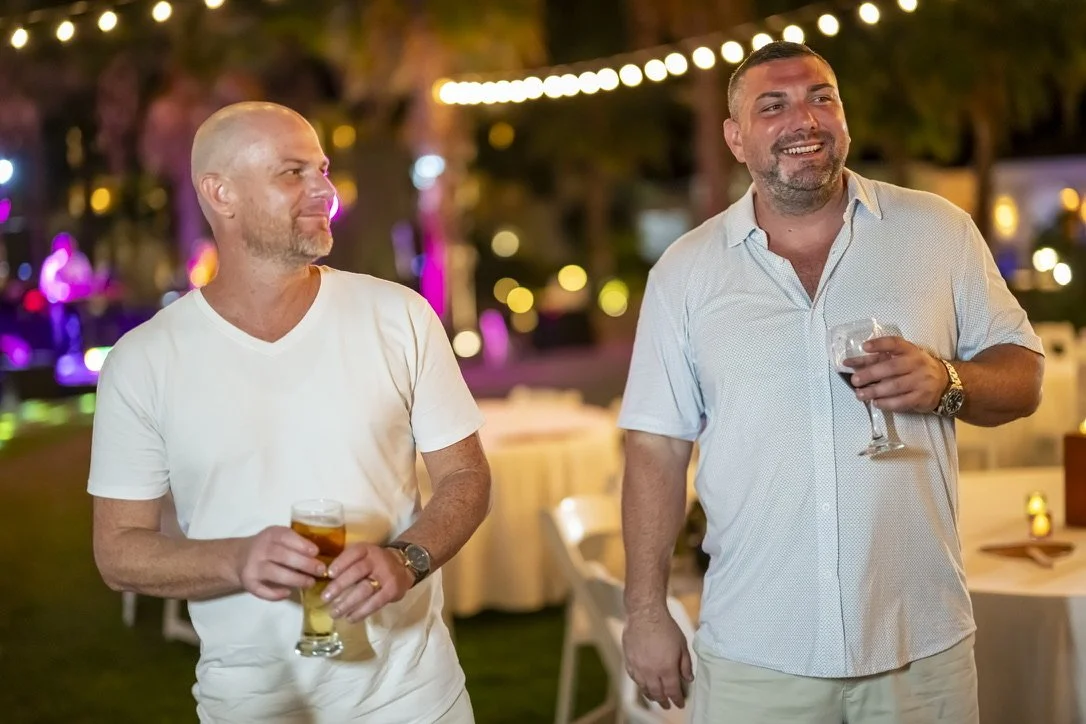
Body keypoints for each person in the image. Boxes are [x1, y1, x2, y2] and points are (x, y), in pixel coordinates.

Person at [618, 41, 1044, 724]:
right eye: (773, 105)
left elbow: (1024, 379)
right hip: (755, 653)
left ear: (844, 117)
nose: (805, 120)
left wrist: (948, 381)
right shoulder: (686, 272)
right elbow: (655, 449)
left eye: (822, 97)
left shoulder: (936, 232)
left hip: (919, 645)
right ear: (735, 138)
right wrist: (645, 612)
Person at [88, 101, 491, 723]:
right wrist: (236, 559)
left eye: (323, 169)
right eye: (292, 173)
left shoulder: (399, 316)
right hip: (253, 705)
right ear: (220, 193)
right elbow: (118, 552)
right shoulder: (143, 361)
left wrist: (406, 559)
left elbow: (465, 477)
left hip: (414, 698)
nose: (324, 191)